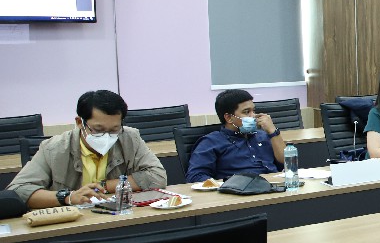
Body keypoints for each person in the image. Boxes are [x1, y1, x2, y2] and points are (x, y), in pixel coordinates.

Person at [8, 90, 167, 208]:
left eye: (114, 130)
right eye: (98, 130)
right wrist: (69, 197)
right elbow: (18, 191)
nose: (106, 136)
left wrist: (103, 186)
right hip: (70, 225)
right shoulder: (53, 148)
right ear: (79, 122)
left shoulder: (129, 138)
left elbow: (157, 176)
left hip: (114, 218)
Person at [186, 89, 285, 182]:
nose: (253, 116)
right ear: (229, 118)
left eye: (253, 111)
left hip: (275, 187)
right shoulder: (211, 142)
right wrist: (224, 185)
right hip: (239, 190)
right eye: (246, 112)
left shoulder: (263, 136)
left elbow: (286, 164)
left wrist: (273, 132)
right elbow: (195, 176)